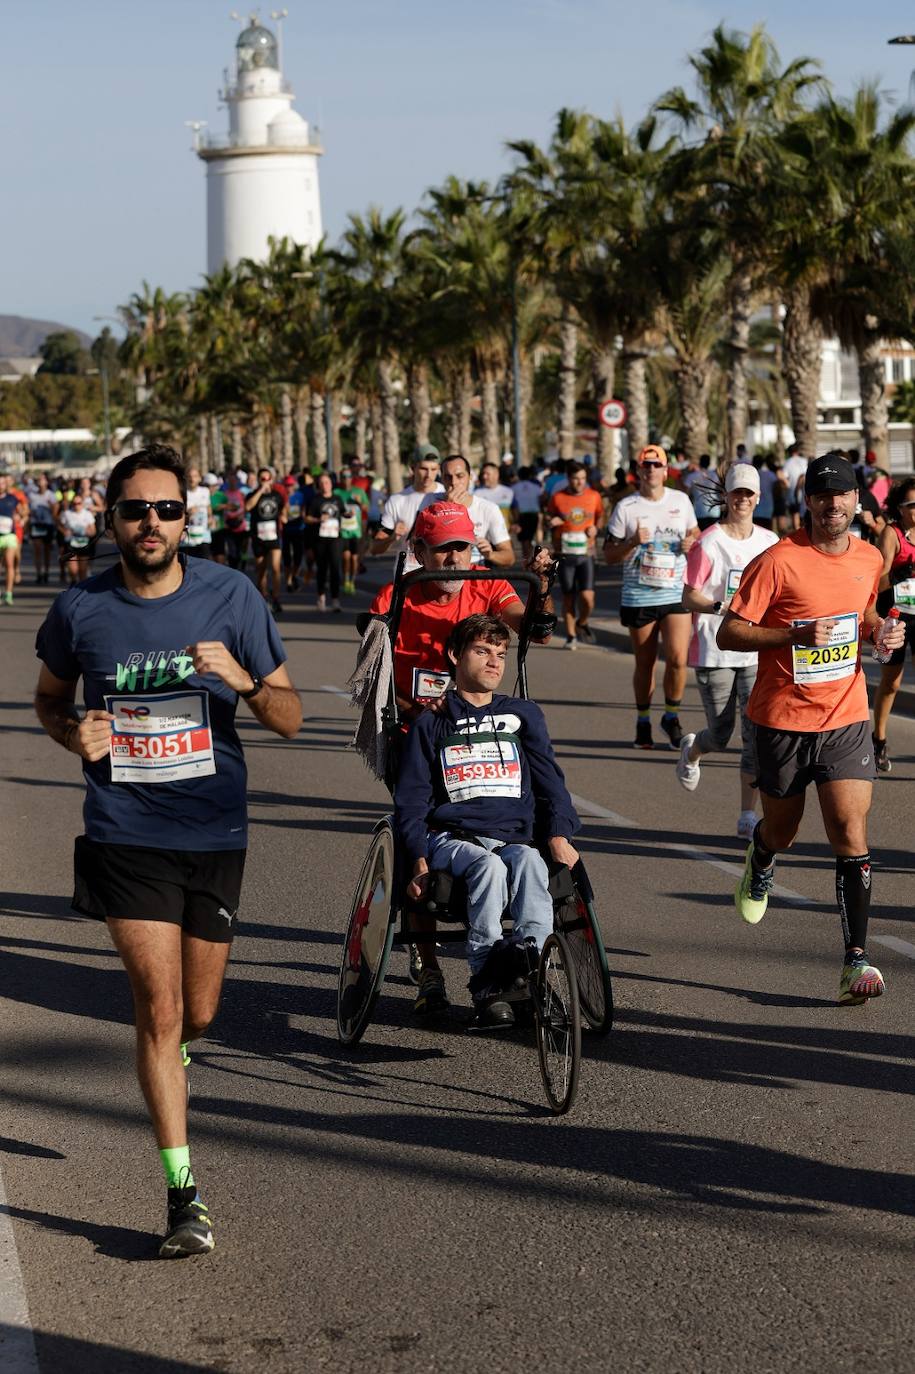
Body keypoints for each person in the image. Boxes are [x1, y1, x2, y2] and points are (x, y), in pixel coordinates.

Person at [33, 443, 301, 1257]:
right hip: (125, 832)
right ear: (110, 517)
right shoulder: (80, 608)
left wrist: (248, 685)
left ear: (189, 517)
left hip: (214, 830)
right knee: (159, 1010)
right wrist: (70, 731)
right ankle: (183, 1195)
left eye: (167, 509)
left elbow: (290, 718)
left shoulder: (231, 596)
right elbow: (48, 700)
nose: (151, 523)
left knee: (200, 1013)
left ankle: (175, 1050)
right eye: (135, 509)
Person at [717, 453, 904, 1005]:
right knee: (785, 830)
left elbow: (865, 612)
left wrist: (880, 633)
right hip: (781, 719)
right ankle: (763, 856)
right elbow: (731, 632)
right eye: (821, 496)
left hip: (845, 716)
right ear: (808, 502)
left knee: (850, 830)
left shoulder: (870, 558)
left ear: (856, 499)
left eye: (841, 494)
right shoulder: (778, 561)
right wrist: (793, 638)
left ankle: (856, 961)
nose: (832, 504)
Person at [367, 502, 556, 1015]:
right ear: (420, 551)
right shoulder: (397, 596)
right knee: (418, 831)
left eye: (463, 547)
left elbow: (531, 628)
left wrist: (539, 591)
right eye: (444, 548)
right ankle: (428, 966)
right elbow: (373, 678)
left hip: (480, 730)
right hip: (418, 734)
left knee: (519, 841)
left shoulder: (488, 587)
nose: (454, 559)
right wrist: (413, 707)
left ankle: (521, 963)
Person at [396, 614, 580, 1027]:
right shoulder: (431, 721)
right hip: (452, 836)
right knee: (488, 866)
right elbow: (410, 800)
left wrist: (557, 834)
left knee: (530, 863)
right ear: (455, 656)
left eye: (500, 654)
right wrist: (418, 860)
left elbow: (552, 781)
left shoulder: (523, 714)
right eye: (482, 652)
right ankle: (486, 981)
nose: (495, 662)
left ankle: (529, 969)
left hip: (514, 835)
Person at [678, 463, 779, 838]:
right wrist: (722, 608)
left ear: (758, 498)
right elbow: (688, 595)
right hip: (714, 647)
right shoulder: (710, 541)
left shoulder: (770, 543)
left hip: (755, 650)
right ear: (726, 497)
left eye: (749, 494)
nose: (742, 499)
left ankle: (746, 815)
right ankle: (693, 750)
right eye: (737, 492)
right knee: (721, 734)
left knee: (754, 736)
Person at [605, 444, 700, 749]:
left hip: (675, 591)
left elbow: (696, 535)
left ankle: (671, 716)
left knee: (677, 659)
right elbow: (609, 555)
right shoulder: (627, 507)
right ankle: (643, 720)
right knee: (645, 663)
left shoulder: (681, 501)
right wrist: (632, 541)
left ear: (665, 469)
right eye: (646, 466)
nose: (651, 470)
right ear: (639, 470)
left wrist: (690, 543)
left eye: (656, 465)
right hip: (639, 595)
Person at [871, 476, 915, 773]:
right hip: (896, 615)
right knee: (892, 682)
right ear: (899, 508)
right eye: (912, 504)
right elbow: (878, 579)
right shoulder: (892, 533)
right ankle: (879, 739)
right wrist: (900, 575)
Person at [548, 460, 604, 649]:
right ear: (568, 478)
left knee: (588, 597)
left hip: (586, 553)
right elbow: (548, 518)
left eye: (583, 478)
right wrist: (552, 521)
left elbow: (600, 517)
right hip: (565, 554)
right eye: (576, 478)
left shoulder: (594, 496)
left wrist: (596, 529)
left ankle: (583, 621)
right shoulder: (557, 497)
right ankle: (571, 636)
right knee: (568, 597)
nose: (580, 482)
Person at [439, 454, 514, 568]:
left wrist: (490, 555)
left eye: (460, 476)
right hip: (441, 573)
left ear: (470, 477)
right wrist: (449, 508)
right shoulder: (431, 506)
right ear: (442, 479)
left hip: (475, 572)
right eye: (448, 477)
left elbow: (509, 557)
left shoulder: (488, 508)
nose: (453, 482)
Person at [372, 445, 444, 560]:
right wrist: (392, 537)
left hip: (438, 573)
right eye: (423, 469)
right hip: (408, 573)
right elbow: (375, 549)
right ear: (412, 468)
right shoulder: (397, 500)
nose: (428, 475)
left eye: (433, 469)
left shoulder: (445, 496)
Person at [246, 466, 286, 615]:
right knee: (261, 569)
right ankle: (263, 597)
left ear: (272, 479)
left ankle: (276, 598)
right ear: (258, 480)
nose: (265, 481)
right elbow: (248, 506)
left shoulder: (277, 495)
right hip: (259, 536)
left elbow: (283, 508)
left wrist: (284, 516)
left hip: (274, 536)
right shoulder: (253, 494)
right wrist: (260, 491)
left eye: (267, 478)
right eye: (262, 478)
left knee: (275, 568)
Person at [306, 471, 346, 611]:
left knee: (335, 568)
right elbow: (307, 518)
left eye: (327, 482)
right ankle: (321, 597)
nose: (325, 485)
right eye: (322, 483)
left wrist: (349, 514)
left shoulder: (337, 498)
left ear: (331, 483)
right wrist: (318, 519)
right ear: (319, 485)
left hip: (335, 538)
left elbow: (343, 512)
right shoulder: (316, 500)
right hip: (320, 539)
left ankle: (335, 600)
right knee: (322, 569)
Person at [335, 466, 369, 593]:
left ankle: (352, 581)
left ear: (352, 478)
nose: (346, 479)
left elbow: (367, 509)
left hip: (355, 530)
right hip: (342, 530)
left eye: (348, 476)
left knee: (354, 558)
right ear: (341, 478)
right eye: (344, 477)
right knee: (345, 557)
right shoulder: (337, 493)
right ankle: (345, 580)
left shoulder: (359, 492)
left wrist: (359, 503)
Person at [57, 489, 98, 585]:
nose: (76, 505)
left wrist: (86, 532)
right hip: (71, 544)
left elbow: (93, 531)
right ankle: (73, 583)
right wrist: (65, 531)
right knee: (73, 570)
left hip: (84, 544)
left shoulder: (87, 514)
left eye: (79, 503)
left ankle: (81, 592)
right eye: (74, 503)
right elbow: (59, 524)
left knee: (82, 571)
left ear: (82, 503)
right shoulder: (67, 513)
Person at [0, 472, 27, 605]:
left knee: (9, 563)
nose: (0, 485)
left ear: (6, 485)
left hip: (9, 535)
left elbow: (23, 511)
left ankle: (8, 593)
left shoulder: (12, 498)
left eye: (2, 483)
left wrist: (21, 518)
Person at [28, 472, 58, 585]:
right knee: (37, 550)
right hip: (36, 525)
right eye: (39, 480)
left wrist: (51, 506)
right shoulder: (32, 495)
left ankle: (46, 572)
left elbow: (55, 513)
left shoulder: (51, 495)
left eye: (42, 480)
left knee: (46, 551)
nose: (41, 482)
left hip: (48, 524)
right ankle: (38, 573)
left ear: (46, 482)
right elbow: (29, 510)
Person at [510, 466, 544, 560]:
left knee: (525, 540)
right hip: (533, 514)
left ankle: (527, 560)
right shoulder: (536, 487)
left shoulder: (513, 488)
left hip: (521, 515)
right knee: (530, 538)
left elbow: (512, 504)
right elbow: (541, 499)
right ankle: (530, 559)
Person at [184, 466, 213, 559]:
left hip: (204, 535)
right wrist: (188, 512)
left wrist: (210, 517)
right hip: (188, 537)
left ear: (200, 478)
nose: (192, 479)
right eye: (189, 476)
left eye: (195, 476)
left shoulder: (205, 491)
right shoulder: (182, 493)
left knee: (205, 564)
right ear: (186, 478)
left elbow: (208, 506)